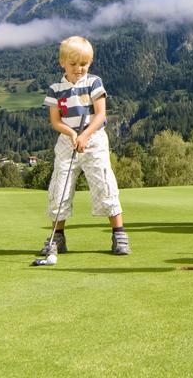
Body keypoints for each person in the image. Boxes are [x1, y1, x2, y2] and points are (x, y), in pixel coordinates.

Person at [38, 36, 130, 257]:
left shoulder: (94, 83)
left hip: (94, 140)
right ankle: (57, 238)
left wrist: (85, 135)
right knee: (60, 188)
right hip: (66, 142)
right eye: (73, 64)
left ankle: (119, 234)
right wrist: (72, 134)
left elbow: (100, 115)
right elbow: (56, 121)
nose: (79, 69)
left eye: (84, 64)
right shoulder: (55, 89)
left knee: (104, 183)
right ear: (62, 62)